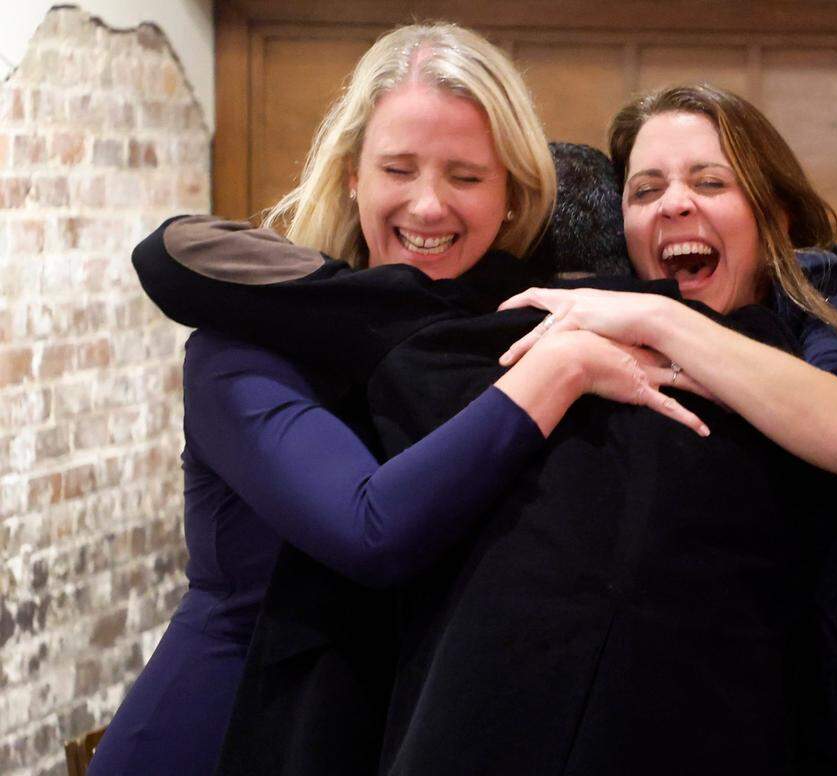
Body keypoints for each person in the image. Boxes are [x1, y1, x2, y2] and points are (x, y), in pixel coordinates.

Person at [135, 84, 837, 774]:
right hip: (269, 702)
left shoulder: (831, 309)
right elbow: (178, 258)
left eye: (710, 182)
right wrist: (584, 347)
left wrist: (676, 333)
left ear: (776, 212)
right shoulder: (535, 329)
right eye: (648, 189)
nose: (675, 205)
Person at [88, 24, 710, 776]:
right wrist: (566, 366)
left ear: (510, 192)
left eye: (465, 176)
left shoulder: (492, 330)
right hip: (221, 733)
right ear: (353, 175)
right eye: (398, 169)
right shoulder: (243, 347)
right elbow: (371, 532)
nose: (428, 206)